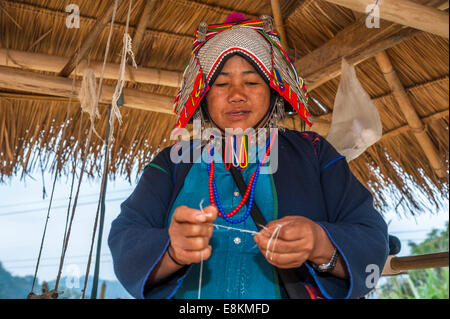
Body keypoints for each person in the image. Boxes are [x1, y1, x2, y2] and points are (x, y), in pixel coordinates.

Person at [108, 14, 389, 299]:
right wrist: (172, 250)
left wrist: (319, 244)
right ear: (203, 97)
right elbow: (124, 241)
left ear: (274, 92)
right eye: (220, 84)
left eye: (252, 82)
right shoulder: (173, 161)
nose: (237, 95)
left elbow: (372, 241)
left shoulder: (314, 153)